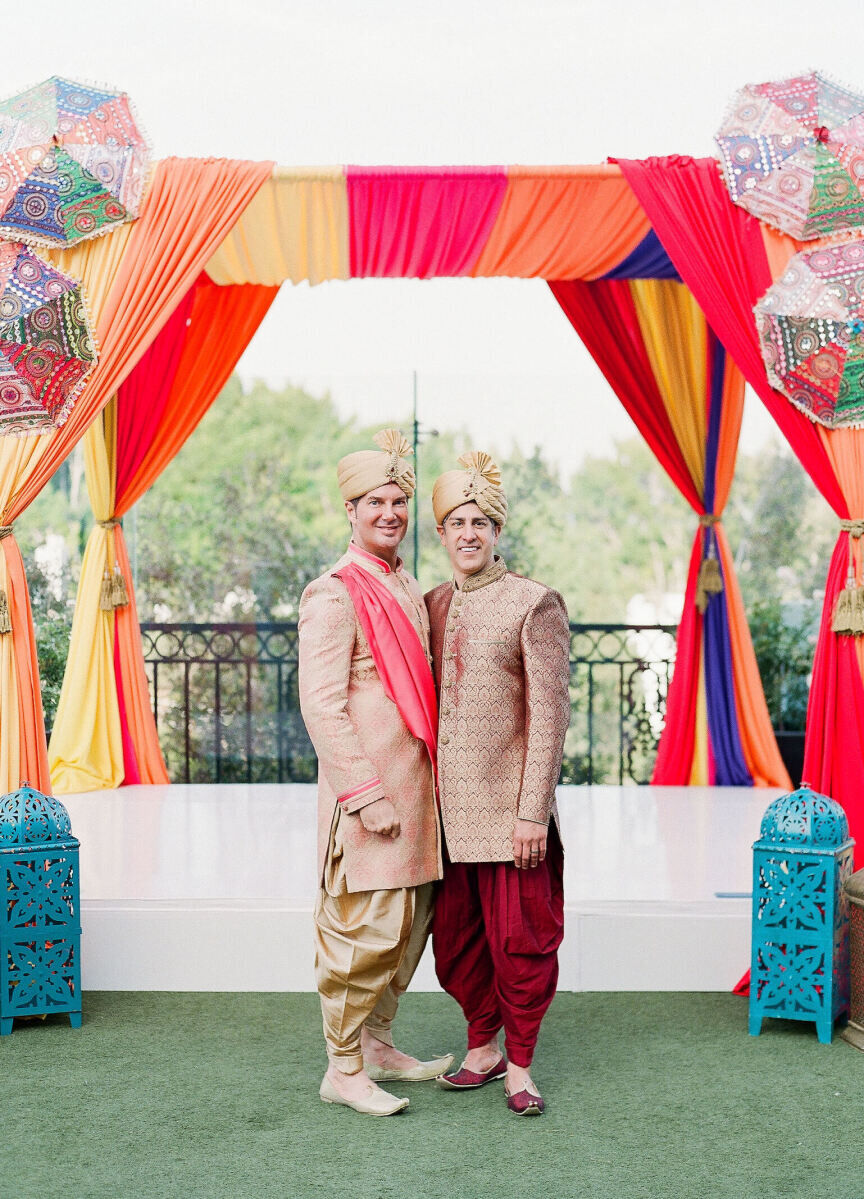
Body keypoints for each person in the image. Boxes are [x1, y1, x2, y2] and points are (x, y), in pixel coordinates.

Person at [298, 429, 451, 1117]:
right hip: (373, 798)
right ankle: (343, 1065)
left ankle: (380, 1042)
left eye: (398, 501)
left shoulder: (405, 582)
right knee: (364, 933)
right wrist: (364, 795)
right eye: (375, 502)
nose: (390, 512)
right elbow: (322, 705)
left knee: (409, 925)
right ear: (351, 509)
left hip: (416, 792)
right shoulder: (333, 593)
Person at [425, 451, 570, 1116]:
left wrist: (532, 812)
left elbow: (550, 716)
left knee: (521, 944)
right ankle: (481, 1046)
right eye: (456, 520)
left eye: (481, 520)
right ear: (441, 532)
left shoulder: (533, 602)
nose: (469, 533)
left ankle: (519, 1065)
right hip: (448, 818)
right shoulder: (432, 604)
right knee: (457, 945)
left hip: (511, 814)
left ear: (497, 530)